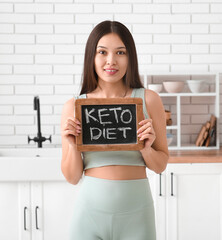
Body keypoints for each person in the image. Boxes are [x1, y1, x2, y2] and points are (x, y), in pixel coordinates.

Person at [60, 20, 169, 240]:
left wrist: (147, 149)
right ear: (92, 56)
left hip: (137, 216)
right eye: (102, 52)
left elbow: (161, 165)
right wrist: (72, 145)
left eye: (120, 52)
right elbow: (72, 178)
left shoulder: (149, 100)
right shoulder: (74, 106)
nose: (111, 61)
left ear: (130, 57)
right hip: (88, 215)